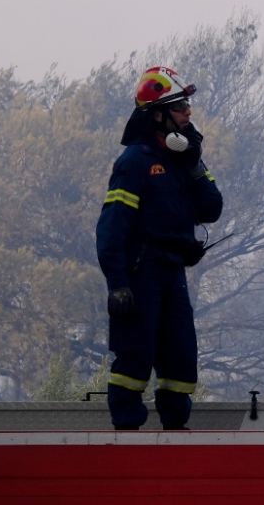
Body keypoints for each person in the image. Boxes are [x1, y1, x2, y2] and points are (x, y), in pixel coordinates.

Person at [96, 66, 223, 430]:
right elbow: (111, 228)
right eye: (181, 106)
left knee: (181, 353)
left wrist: (194, 164)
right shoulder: (134, 163)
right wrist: (116, 282)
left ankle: (176, 428)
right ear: (158, 114)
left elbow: (212, 209)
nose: (189, 113)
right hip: (140, 273)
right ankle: (126, 430)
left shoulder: (183, 162)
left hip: (173, 273)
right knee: (135, 353)